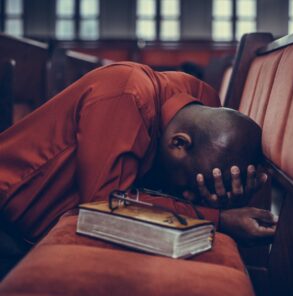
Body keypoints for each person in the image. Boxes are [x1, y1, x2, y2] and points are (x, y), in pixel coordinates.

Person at [0, 62, 277, 245]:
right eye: (188, 185)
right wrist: (219, 219)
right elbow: (105, 209)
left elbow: (173, 192)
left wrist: (226, 199)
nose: (188, 193)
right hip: (13, 217)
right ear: (179, 143)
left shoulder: (202, 100)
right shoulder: (125, 96)